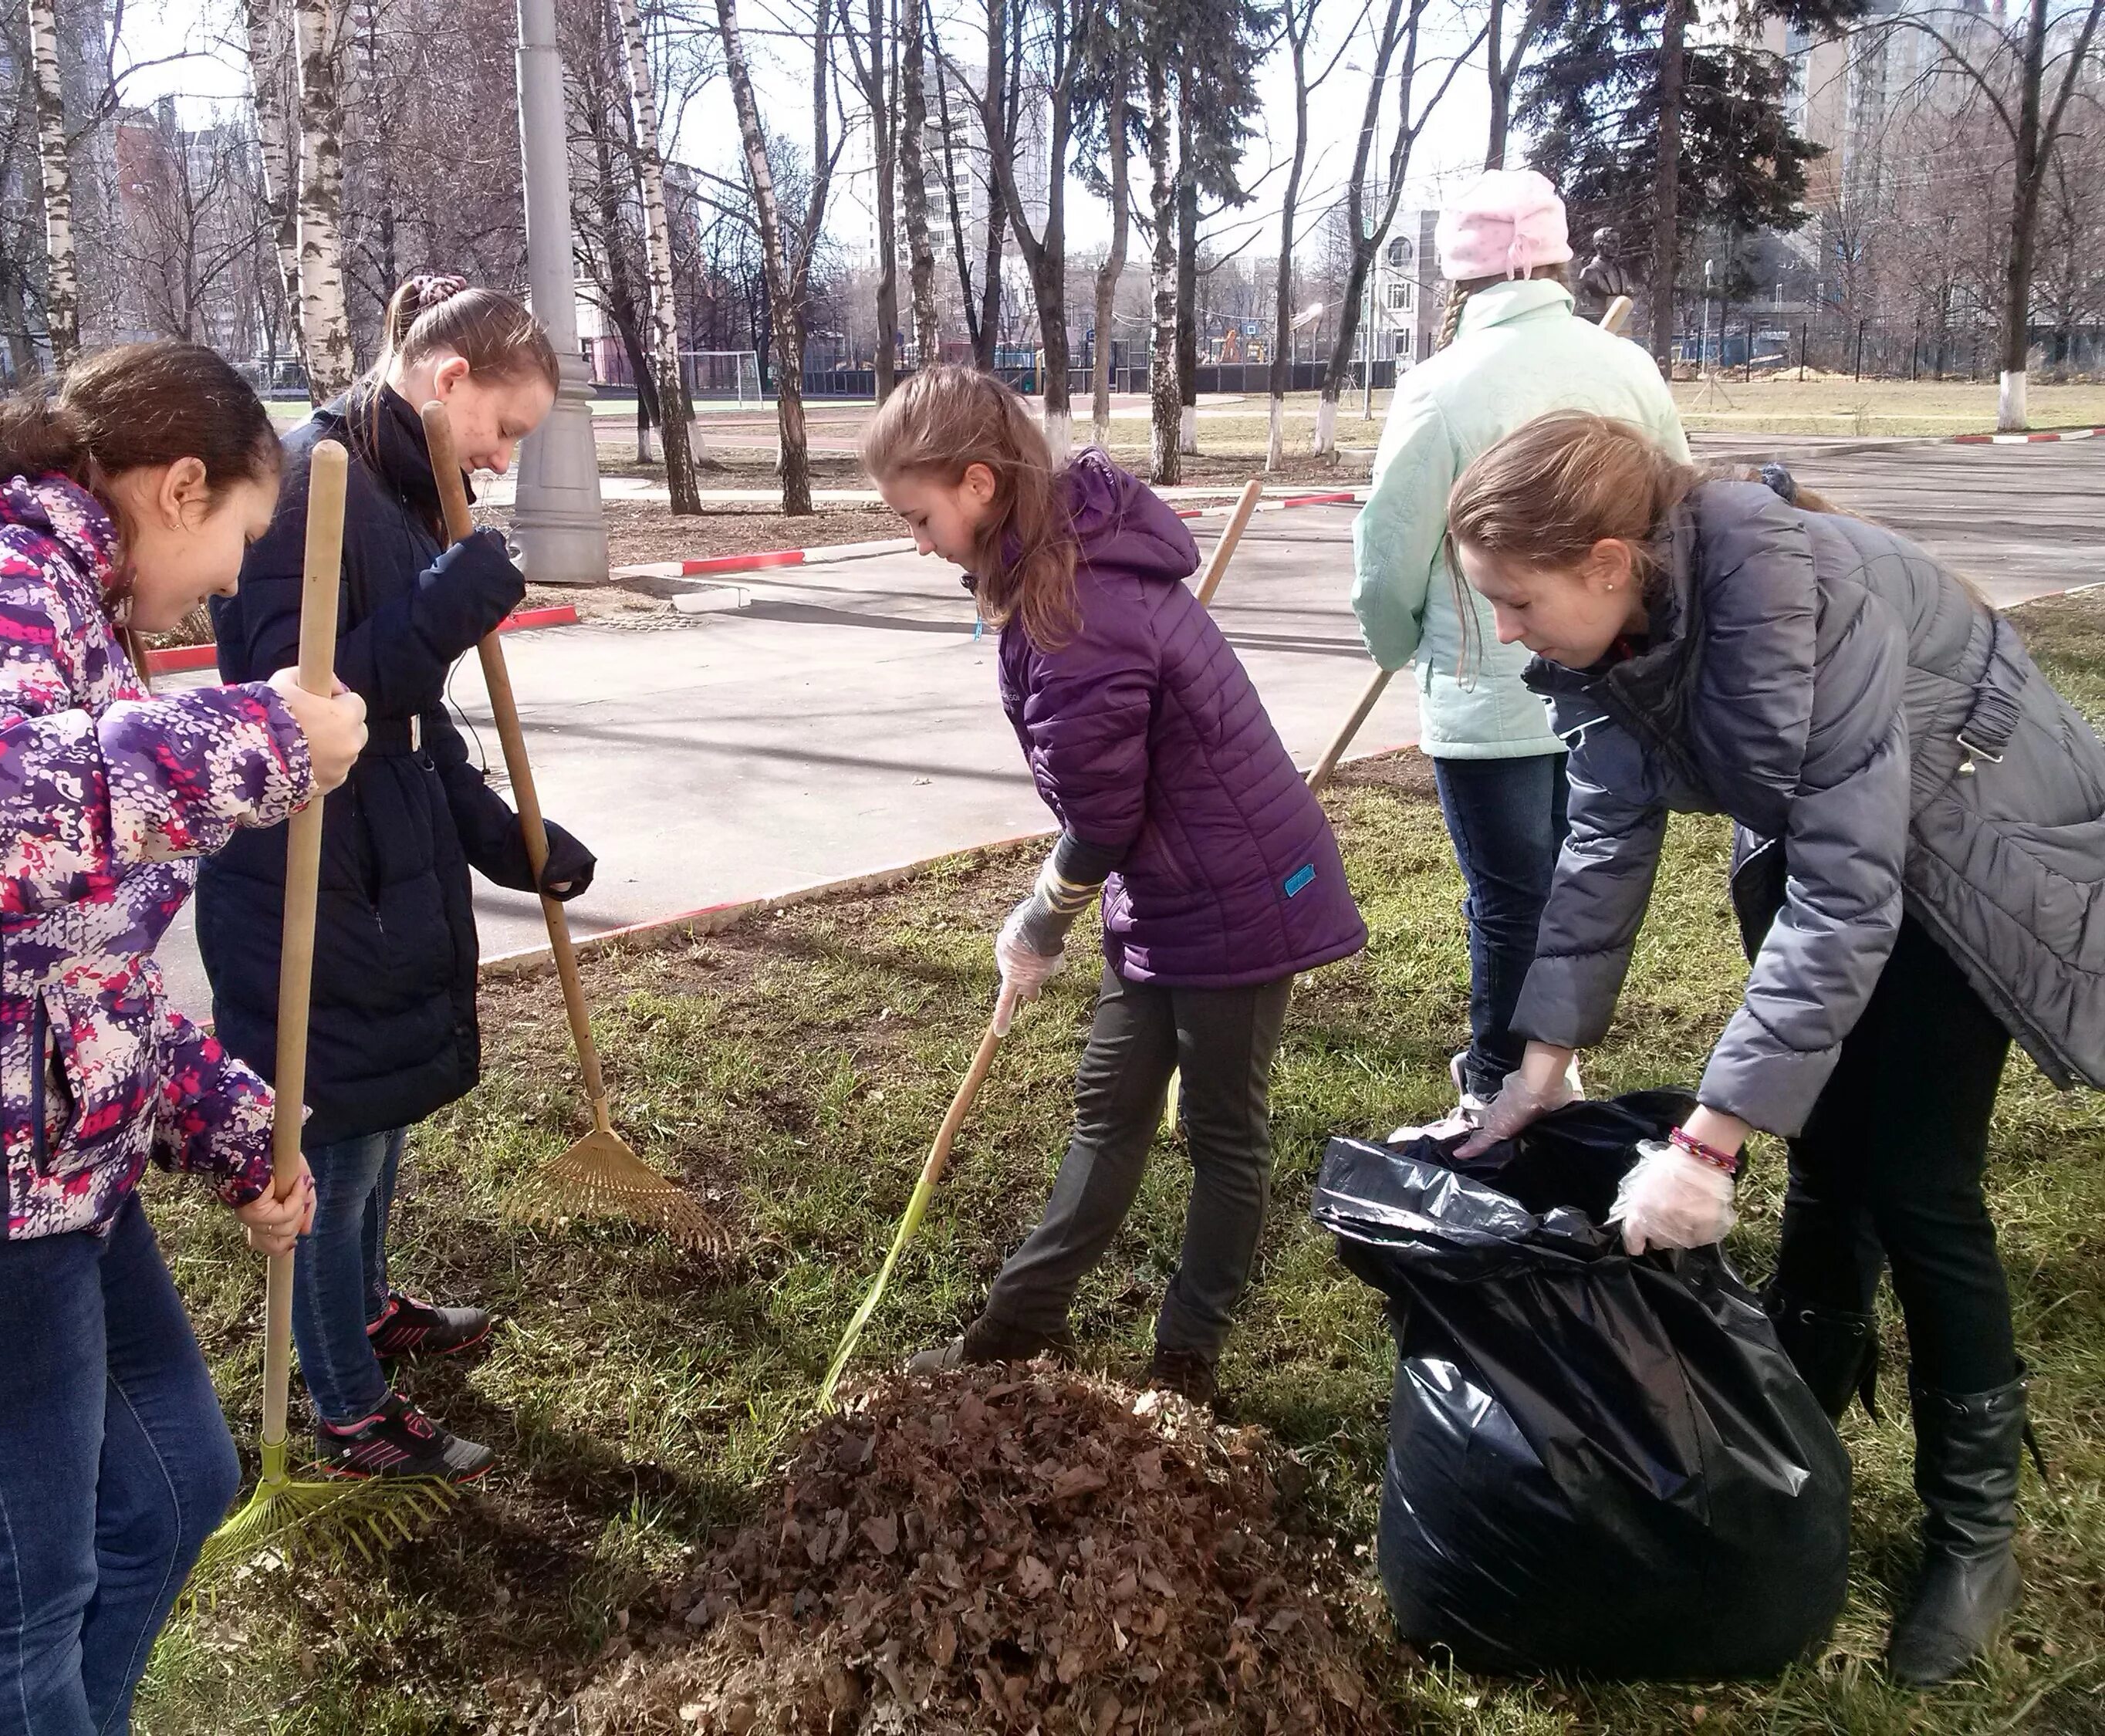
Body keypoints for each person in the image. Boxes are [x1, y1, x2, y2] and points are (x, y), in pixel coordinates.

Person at [1444, 410, 2105, 1685]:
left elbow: (1857, 900)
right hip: (1837, 839)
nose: (1507, 631)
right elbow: (1603, 839)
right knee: (1828, 1148)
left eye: (1517, 602)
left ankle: (1975, 1534)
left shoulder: (1807, 591)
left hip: (1977, 855)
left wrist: (1707, 1140)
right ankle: (1802, 1411)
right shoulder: (1627, 630)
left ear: (1606, 558)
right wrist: (1540, 1063)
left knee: (1919, 1189)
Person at [0, 341, 367, 1734]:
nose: (237, 579)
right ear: (179, 487)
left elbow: (64, 956)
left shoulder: (56, 603)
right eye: (238, 534)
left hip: (36, 1171)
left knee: (174, 1485)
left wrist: (240, 1134)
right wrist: (254, 747)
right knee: (16, 1598)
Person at [861, 367, 1367, 1408]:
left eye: (919, 517)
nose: (916, 541)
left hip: (1240, 890)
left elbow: (1105, 815)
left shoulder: (1073, 610)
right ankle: (1017, 1327)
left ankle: (1187, 1363)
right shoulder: (1058, 563)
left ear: (978, 484)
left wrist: (1042, 911)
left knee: (1226, 1130)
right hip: (1171, 884)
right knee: (1109, 1106)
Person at [197, 274, 596, 1482]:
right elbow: (292, 700)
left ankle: (366, 1307)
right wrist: (441, 604)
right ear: (448, 379)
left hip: (391, 855)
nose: (504, 456)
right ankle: (349, 1408)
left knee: (385, 1120)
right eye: (505, 430)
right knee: (341, 1137)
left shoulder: (412, 486)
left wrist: (502, 834)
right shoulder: (311, 478)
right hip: (316, 879)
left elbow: (417, 723)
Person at [1350, 169, 1688, 1133]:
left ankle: (1503, 1078)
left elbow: (1389, 548)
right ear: (1559, 260)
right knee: (1579, 882)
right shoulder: (1628, 370)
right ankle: (1543, 1069)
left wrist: (1399, 643)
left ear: (1458, 282)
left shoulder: (1439, 387)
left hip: (1484, 687)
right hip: (1614, 674)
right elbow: (1679, 514)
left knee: (1510, 899)